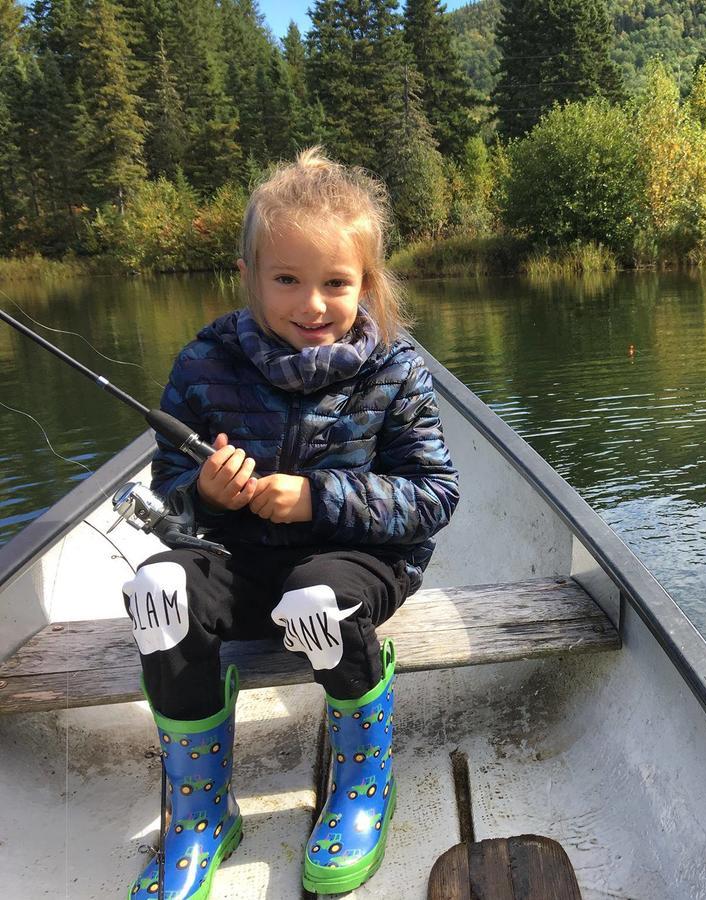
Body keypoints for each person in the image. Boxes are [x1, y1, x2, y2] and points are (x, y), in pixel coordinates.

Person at [121, 147, 459, 900]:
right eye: (287, 280)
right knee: (158, 594)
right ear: (248, 276)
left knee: (316, 599)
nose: (312, 305)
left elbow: (434, 494)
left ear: (364, 284)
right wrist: (205, 494)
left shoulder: (395, 370)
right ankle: (201, 814)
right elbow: (168, 498)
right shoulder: (204, 363)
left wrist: (317, 499)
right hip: (236, 562)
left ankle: (365, 782)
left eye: (335, 283)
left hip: (356, 559)